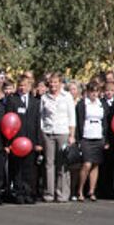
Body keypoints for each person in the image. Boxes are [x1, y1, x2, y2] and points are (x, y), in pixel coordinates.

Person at [5, 73, 43, 204]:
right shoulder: (12, 100)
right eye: (20, 85)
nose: (22, 88)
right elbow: (8, 122)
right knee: (18, 169)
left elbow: (38, 123)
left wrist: (38, 142)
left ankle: (29, 193)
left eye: (25, 85)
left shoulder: (35, 102)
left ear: (30, 86)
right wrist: (9, 142)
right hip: (16, 141)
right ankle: (19, 193)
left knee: (30, 169)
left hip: (31, 140)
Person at [40, 73, 76, 202]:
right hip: (48, 132)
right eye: (51, 82)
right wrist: (42, 132)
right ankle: (49, 193)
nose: (53, 85)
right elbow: (42, 116)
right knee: (49, 164)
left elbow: (72, 116)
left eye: (56, 82)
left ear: (60, 83)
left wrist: (72, 135)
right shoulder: (45, 97)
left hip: (63, 132)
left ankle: (62, 194)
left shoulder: (67, 97)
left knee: (63, 164)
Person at [75, 81, 108, 201]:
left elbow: (105, 122)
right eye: (92, 92)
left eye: (96, 92)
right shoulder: (82, 104)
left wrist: (105, 139)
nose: (94, 94)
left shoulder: (102, 104)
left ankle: (92, 191)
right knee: (87, 164)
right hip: (86, 137)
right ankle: (80, 190)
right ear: (87, 92)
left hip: (98, 136)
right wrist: (78, 139)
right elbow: (79, 121)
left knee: (95, 164)